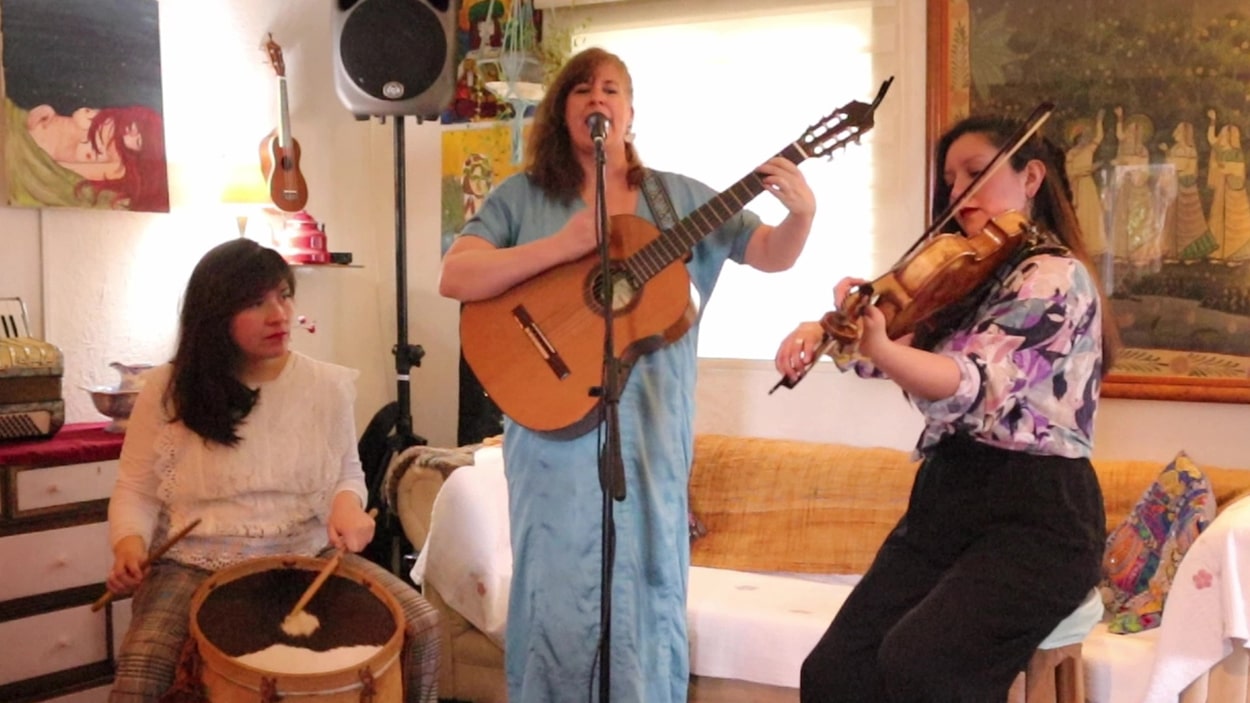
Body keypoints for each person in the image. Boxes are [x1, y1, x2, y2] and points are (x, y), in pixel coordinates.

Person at [437, 46, 816, 703]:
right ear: (563, 110)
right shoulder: (522, 197)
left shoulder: (679, 199)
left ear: (631, 112)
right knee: (554, 595)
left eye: (611, 88)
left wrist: (802, 214)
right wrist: (566, 245)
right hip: (550, 440)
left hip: (651, 440)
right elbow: (456, 274)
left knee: (646, 591)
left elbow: (768, 253)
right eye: (581, 88)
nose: (597, 98)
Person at [775, 115, 1116, 702]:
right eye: (951, 179)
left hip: (1039, 519)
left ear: (1031, 176)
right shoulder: (965, 272)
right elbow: (896, 355)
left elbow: (973, 385)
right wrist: (833, 331)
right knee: (833, 671)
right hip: (947, 499)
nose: (958, 191)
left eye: (976, 172)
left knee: (923, 665)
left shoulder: (1057, 277)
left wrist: (878, 344)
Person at [105, 239, 439, 702]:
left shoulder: (327, 385)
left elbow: (347, 473)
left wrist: (347, 508)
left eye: (283, 295)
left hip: (304, 552)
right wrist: (129, 544)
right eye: (256, 302)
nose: (279, 314)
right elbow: (136, 490)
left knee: (422, 624)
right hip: (196, 563)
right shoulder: (168, 388)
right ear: (215, 315)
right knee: (143, 670)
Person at [5, 97, 169, 211]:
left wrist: (42, 159)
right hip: (35, 126)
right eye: (137, 126)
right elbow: (77, 116)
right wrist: (45, 113)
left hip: (36, 151)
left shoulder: (117, 165)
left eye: (138, 141)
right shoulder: (109, 119)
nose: (132, 133)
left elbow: (64, 169)